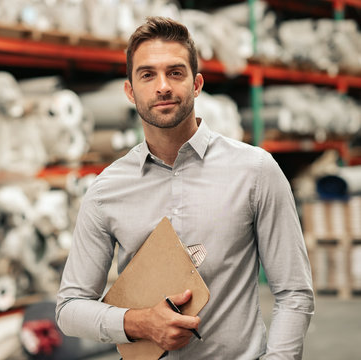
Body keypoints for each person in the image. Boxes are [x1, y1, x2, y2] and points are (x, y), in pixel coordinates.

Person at [56, 16, 314, 359]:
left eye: (175, 72)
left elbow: (294, 292)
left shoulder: (255, 171)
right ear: (130, 91)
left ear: (197, 84)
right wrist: (139, 323)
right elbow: (70, 308)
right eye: (147, 75)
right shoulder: (106, 191)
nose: (162, 86)